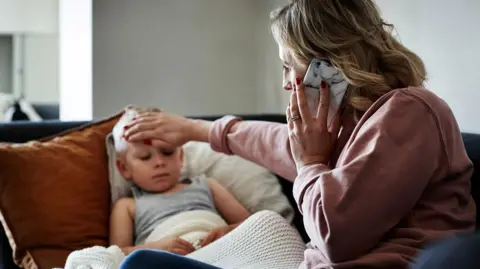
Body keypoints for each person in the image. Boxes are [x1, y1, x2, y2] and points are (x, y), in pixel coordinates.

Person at [120, 0, 476, 268]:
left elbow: (337, 237)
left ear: (331, 62)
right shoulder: (352, 121)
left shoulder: (409, 111)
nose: (286, 82)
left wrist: (311, 162)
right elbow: (278, 145)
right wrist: (196, 129)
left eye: (290, 65)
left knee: (141, 266)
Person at [109, 108, 251, 257]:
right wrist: (154, 249)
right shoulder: (127, 206)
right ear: (124, 168)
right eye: (145, 157)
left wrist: (229, 232)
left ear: (181, 157)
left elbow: (254, 224)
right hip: (167, 261)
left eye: (168, 152)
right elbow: (115, 255)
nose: (159, 162)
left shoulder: (207, 185)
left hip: (223, 252)